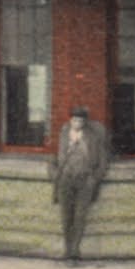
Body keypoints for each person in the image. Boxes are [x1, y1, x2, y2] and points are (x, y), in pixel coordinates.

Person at [51, 106, 109, 260]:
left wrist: (94, 178)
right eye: (75, 120)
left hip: (85, 180)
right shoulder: (63, 135)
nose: (77, 123)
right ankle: (67, 249)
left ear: (84, 122)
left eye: (81, 121)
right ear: (70, 120)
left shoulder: (93, 137)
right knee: (66, 216)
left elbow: (103, 161)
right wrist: (56, 175)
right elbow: (51, 158)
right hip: (66, 180)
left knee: (80, 216)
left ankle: (75, 250)